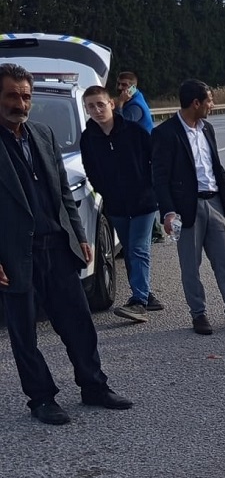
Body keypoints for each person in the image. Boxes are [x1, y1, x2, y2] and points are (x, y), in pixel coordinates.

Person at [0, 63, 132, 425]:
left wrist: (79, 235)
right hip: (14, 255)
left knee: (78, 322)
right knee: (25, 334)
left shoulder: (42, 134)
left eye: (25, 96)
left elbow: (62, 193)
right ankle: (41, 399)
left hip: (57, 247)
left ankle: (94, 386)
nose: (20, 103)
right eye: (12, 95)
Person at [151, 78, 225, 335]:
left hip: (214, 203)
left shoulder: (207, 129)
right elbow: (159, 178)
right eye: (209, 100)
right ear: (196, 103)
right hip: (185, 209)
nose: (212, 105)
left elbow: (217, 169)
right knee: (191, 266)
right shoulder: (165, 133)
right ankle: (198, 315)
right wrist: (168, 213)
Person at [80, 85, 162, 322]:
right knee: (129, 251)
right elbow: (90, 170)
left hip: (144, 202)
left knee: (138, 248)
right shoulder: (88, 138)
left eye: (100, 104)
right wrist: (104, 191)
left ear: (111, 104)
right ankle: (146, 294)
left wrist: (152, 189)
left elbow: (154, 161)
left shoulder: (134, 132)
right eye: (91, 106)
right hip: (116, 205)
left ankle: (138, 302)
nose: (96, 110)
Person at [114, 71, 164, 244]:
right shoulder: (135, 98)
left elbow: (120, 128)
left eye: (125, 85)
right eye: (119, 84)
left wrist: (119, 104)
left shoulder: (134, 106)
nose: (120, 88)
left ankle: (153, 232)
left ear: (133, 87)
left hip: (142, 157)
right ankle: (155, 231)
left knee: (142, 194)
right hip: (139, 154)